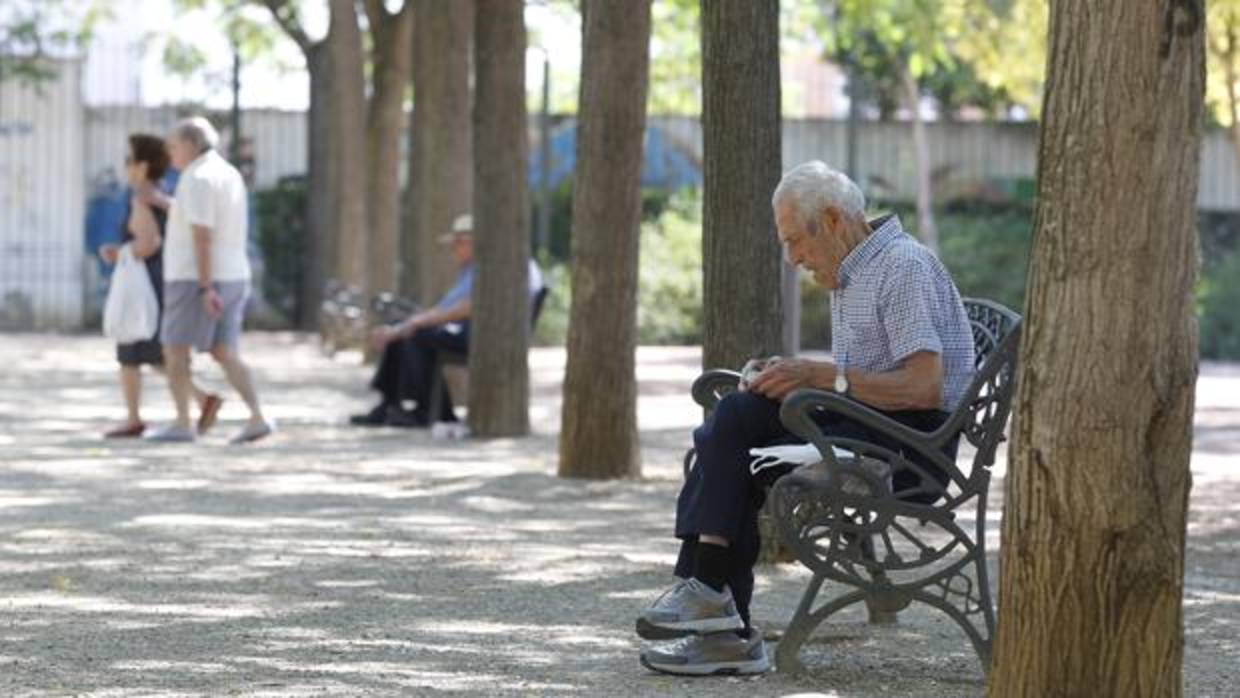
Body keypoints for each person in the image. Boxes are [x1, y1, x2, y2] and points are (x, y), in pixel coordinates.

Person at [635, 161, 976, 676]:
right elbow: (853, 379)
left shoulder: (902, 268)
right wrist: (787, 377)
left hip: (912, 449)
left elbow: (923, 387)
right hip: (870, 426)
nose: (793, 257)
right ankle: (710, 602)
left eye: (797, 241)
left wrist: (822, 378)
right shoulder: (854, 269)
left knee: (733, 446)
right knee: (732, 423)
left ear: (835, 219)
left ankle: (719, 616)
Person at [145, 116, 273, 444]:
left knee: (174, 349)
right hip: (233, 273)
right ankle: (258, 416)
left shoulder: (196, 177)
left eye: (172, 146)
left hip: (194, 277)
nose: (169, 154)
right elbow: (199, 218)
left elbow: (202, 234)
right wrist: (166, 204)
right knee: (224, 350)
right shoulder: (227, 173)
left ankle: (182, 423)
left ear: (189, 143)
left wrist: (204, 286)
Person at [350, 214, 544, 428]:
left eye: (456, 244)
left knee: (417, 335)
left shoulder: (498, 266)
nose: (453, 250)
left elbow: (465, 308)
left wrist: (411, 325)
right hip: (476, 330)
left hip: (490, 336)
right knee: (411, 333)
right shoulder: (475, 269)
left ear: (469, 242)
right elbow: (446, 308)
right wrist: (403, 327)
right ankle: (389, 404)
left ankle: (432, 412)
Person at [98, 133, 221, 439]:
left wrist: (119, 253)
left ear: (141, 166)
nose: (125, 167)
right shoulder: (165, 194)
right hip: (160, 280)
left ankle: (134, 418)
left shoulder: (141, 195)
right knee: (156, 354)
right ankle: (202, 399)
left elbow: (149, 243)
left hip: (144, 283)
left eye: (129, 161)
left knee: (130, 351)